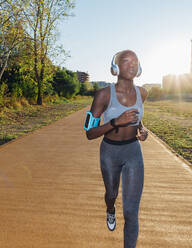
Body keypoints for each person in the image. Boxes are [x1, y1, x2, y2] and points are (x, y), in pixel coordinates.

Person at [84, 50, 149, 248]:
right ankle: (110, 209)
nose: (131, 65)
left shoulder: (142, 93)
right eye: (125, 61)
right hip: (110, 152)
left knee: (131, 211)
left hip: (133, 152)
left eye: (134, 62)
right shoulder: (103, 94)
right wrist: (115, 122)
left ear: (139, 68)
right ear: (115, 68)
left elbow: (137, 119)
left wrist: (142, 129)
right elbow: (89, 132)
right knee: (111, 194)